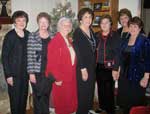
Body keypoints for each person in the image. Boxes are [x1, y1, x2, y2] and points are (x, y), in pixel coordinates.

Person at [118, 16, 150, 114]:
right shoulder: (126, 39)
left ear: (140, 28)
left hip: (137, 76)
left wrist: (146, 77)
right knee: (125, 101)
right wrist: (119, 70)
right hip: (124, 75)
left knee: (135, 101)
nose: (132, 28)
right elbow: (121, 57)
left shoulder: (144, 40)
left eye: (135, 26)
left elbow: (148, 60)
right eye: (131, 26)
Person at [45, 17, 77, 114]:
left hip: (71, 77)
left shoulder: (68, 40)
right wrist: (57, 78)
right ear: (59, 27)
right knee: (62, 104)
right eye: (64, 25)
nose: (67, 27)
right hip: (61, 78)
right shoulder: (55, 41)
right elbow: (51, 63)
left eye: (69, 25)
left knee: (69, 102)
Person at [1, 10, 30, 114]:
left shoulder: (28, 34)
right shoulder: (10, 36)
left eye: (24, 20)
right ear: (14, 22)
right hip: (14, 75)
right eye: (19, 20)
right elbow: (4, 57)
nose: (22, 22)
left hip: (25, 75)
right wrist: (8, 75)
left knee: (23, 100)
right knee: (15, 101)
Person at [27, 12, 54, 114]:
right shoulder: (32, 36)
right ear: (38, 23)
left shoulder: (53, 36)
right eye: (41, 22)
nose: (43, 24)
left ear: (49, 23)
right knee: (38, 95)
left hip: (49, 71)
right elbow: (29, 55)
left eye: (45, 22)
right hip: (37, 71)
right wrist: (31, 73)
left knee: (46, 94)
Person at [73, 8, 97, 114]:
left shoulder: (91, 30)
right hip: (82, 67)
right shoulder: (77, 33)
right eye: (85, 17)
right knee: (83, 92)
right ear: (80, 20)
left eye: (90, 17)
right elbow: (78, 53)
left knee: (89, 91)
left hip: (91, 66)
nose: (88, 19)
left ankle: (87, 110)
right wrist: (83, 69)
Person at [95, 14, 121, 114]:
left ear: (110, 24)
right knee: (100, 88)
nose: (104, 24)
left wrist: (115, 69)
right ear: (100, 25)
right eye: (102, 23)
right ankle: (102, 107)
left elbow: (118, 53)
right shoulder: (96, 35)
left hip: (110, 67)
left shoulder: (115, 36)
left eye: (106, 22)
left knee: (109, 89)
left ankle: (110, 109)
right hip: (98, 66)